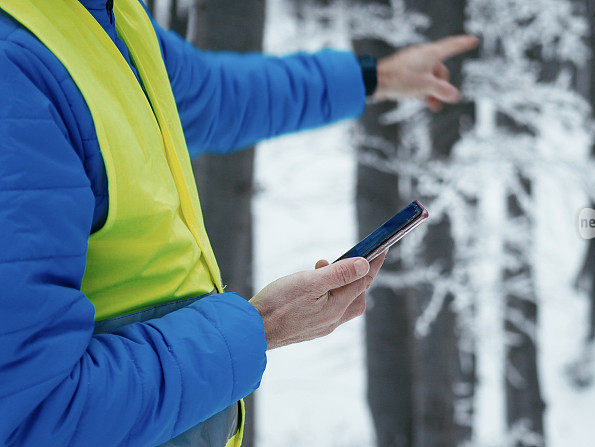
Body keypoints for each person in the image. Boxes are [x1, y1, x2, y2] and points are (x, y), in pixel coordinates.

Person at [0, 0, 478, 446]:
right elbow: (32, 414)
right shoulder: (16, 73)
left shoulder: (106, 16)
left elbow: (209, 95)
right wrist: (262, 325)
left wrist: (375, 77)